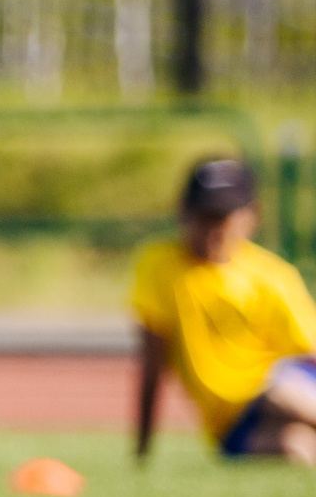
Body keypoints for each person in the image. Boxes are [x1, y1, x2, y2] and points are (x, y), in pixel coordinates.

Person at [134, 158, 316, 465]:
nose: (213, 230)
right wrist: (142, 446)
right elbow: (153, 356)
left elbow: (309, 348)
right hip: (231, 422)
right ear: (183, 212)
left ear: (251, 217)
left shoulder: (270, 276)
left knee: (282, 394)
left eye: (224, 217)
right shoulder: (162, 267)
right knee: (296, 449)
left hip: (281, 386)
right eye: (204, 217)